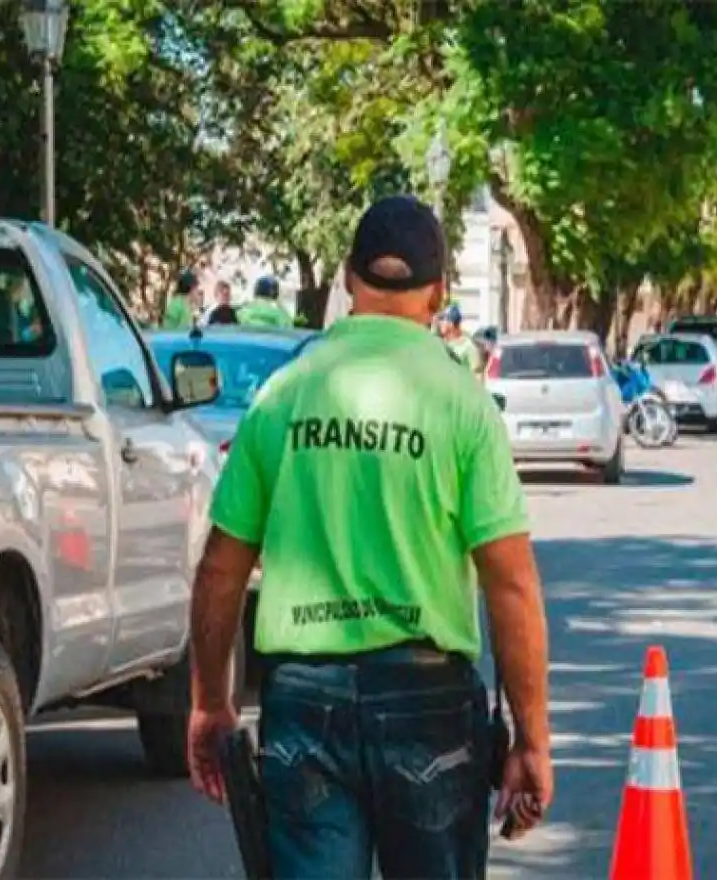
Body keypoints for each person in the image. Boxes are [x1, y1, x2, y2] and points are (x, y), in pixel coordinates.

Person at [186, 194, 553, 879]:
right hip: (429, 709)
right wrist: (532, 738)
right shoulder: (463, 405)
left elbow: (220, 571)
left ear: (349, 278)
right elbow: (511, 582)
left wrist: (211, 703)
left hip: (303, 703)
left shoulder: (283, 396)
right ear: (438, 293)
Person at [439, 303, 483, 376]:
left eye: (443, 319)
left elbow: (477, 377)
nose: (441, 323)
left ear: (451, 324)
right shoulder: (440, 345)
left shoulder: (468, 347)